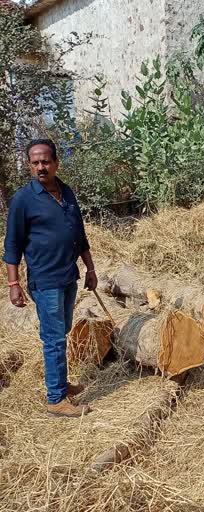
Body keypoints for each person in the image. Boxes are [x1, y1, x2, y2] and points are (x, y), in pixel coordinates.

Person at [3, 139, 98, 418]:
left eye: (45, 161)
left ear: (56, 162)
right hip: (45, 281)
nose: (41, 167)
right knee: (54, 338)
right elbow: (12, 245)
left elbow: (79, 234)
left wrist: (90, 269)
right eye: (35, 163)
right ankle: (56, 399)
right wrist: (13, 284)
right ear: (30, 166)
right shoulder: (23, 199)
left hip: (68, 275)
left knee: (63, 331)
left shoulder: (66, 192)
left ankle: (60, 382)